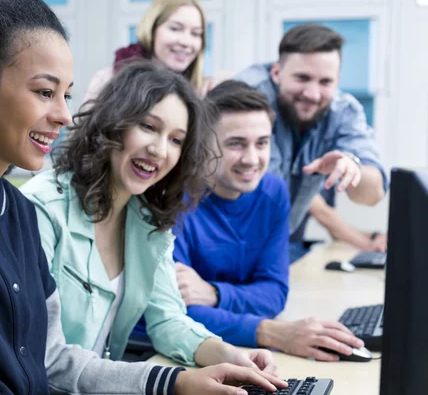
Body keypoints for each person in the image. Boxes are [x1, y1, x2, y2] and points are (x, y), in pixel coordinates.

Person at [0, 0, 286, 394]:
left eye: (66, 94)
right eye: (45, 92)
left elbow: (52, 361)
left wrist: (176, 383)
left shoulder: (18, 215)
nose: (65, 116)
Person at [20, 62, 282, 379]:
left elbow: (167, 320)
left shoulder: (145, 217)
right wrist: (172, 383)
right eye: (148, 127)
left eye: (176, 140)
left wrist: (231, 356)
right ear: (114, 123)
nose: (160, 150)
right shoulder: (41, 208)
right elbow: (45, 356)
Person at [172, 80, 365, 362]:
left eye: (262, 143)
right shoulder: (173, 199)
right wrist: (272, 333)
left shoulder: (273, 192)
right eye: (235, 144)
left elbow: (274, 293)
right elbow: (175, 311)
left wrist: (214, 294)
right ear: (202, 144)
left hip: (239, 351)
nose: (252, 159)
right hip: (180, 354)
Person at [234, 23, 388, 263]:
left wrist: (352, 165)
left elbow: (372, 195)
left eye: (325, 82)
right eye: (302, 78)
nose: (312, 94)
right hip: (225, 244)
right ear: (276, 72)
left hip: (277, 247)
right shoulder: (245, 98)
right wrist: (360, 239)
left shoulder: (343, 111)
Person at [84, 0, 223, 102]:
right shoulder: (108, 80)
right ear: (152, 30)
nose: (186, 41)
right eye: (175, 28)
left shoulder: (201, 92)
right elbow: (81, 137)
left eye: (195, 33)